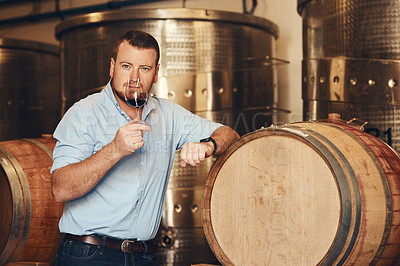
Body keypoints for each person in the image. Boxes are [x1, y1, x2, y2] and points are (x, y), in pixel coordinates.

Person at [50, 30, 239, 265]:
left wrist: (209, 145)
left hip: (144, 256)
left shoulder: (168, 114)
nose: (134, 78)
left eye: (145, 69)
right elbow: (60, 189)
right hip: (89, 254)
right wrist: (115, 149)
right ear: (112, 67)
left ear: (156, 72)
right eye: (126, 66)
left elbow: (230, 135)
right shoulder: (84, 113)